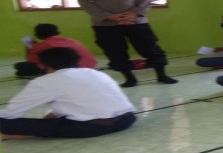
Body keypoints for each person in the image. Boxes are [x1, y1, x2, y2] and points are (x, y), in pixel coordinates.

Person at [73, 0, 177, 87]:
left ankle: (162, 75)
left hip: (136, 21)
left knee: (150, 48)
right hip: (106, 24)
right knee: (115, 52)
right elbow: (84, 2)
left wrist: (135, 12)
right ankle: (129, 79)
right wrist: (109, 16)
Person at [0, 47, 136, 140]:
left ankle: (18, 134)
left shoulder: (45, 81)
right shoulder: (94, 73)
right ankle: (35, 132)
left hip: (92, 127)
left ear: (42, 65)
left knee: (5, 123)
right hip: (127, 120)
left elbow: (10, 113)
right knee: (51, 121)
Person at [14, 24, 97, 78]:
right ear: (58, 32)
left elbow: (32, 61)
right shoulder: (72, 41)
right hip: (88, 67)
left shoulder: (41, 45)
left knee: (20, 66)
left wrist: (30, 47)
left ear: (38, 35)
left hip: (64, 71)